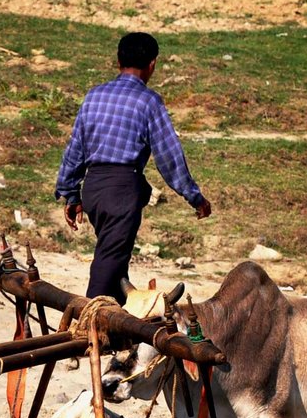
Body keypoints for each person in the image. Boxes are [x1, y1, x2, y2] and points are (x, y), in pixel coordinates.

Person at [54, 31, 213, 300]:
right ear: (152, 64)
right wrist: (194, 196)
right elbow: (168, 156)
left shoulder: (94, 96)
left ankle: (114, 330)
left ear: (118, 61)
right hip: (122, 191)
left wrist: (70, 193)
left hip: (93, 189)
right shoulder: (148, 101)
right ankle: (88, 323)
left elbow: (75, 149)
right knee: (110, 260)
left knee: (115, 258)